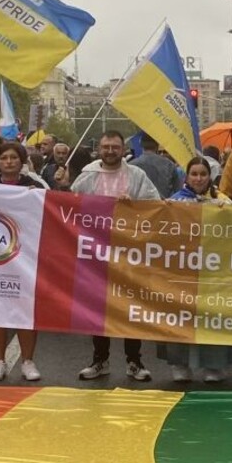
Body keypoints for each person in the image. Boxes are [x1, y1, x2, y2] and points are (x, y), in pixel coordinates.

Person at [71, 131, 161, 381]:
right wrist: (61, 186)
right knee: (99, 308)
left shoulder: (137, 175)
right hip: (96, 252)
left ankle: (134, 361)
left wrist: (134, 205)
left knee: (130, 307)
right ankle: (100, 360)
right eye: (106, 147)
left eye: (115, 147)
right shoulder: (87, 176)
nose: (110, 151)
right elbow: (69, 206)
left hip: (129, 252)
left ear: (123, 150)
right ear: (99, 149)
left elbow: (155, 205)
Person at [163, 157, 232, 383]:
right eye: (194, 174)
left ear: (209, 176)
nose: (198, 178)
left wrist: (228, 213)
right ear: (187, 176)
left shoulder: (222, 201)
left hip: (214, 269)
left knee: (214, 315)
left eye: (203, 174)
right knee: (180, 315)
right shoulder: (174, 201)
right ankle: (179, 364)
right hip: (183, 268)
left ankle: (214, 365)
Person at [0, 141, 48, 382]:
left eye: (13, 158)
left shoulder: (35, 185)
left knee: (25, 309)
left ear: (22, 161)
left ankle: (28, 361)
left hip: (26, 257)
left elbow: (54, 207)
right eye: (4, 158)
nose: (9, 162)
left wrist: (42, 195)